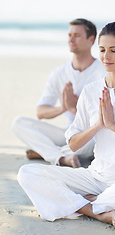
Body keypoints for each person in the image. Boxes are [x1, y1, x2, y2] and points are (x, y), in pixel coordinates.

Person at [17, 22, 115, 230]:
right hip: (95, 176)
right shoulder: (91, 91)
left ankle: (82, 203)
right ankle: (93, 207)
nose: (106, 57)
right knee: (28, 173)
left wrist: (113, 125)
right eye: (102, 50)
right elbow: (74, 143)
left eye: (114, 50)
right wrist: (98, 125)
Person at [12, 18, 107, 167]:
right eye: (69, 35)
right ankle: (62, 157)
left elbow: (105, 118)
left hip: (89, 134)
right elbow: (41, 112)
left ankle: (47, 152)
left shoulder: (103, 72)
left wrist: (75, 108)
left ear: (91, 40)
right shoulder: (59, 73)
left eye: (76, 35)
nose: (71, 39)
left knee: (99, 137)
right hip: (67, 133)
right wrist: (63, 107)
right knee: (18, 123)